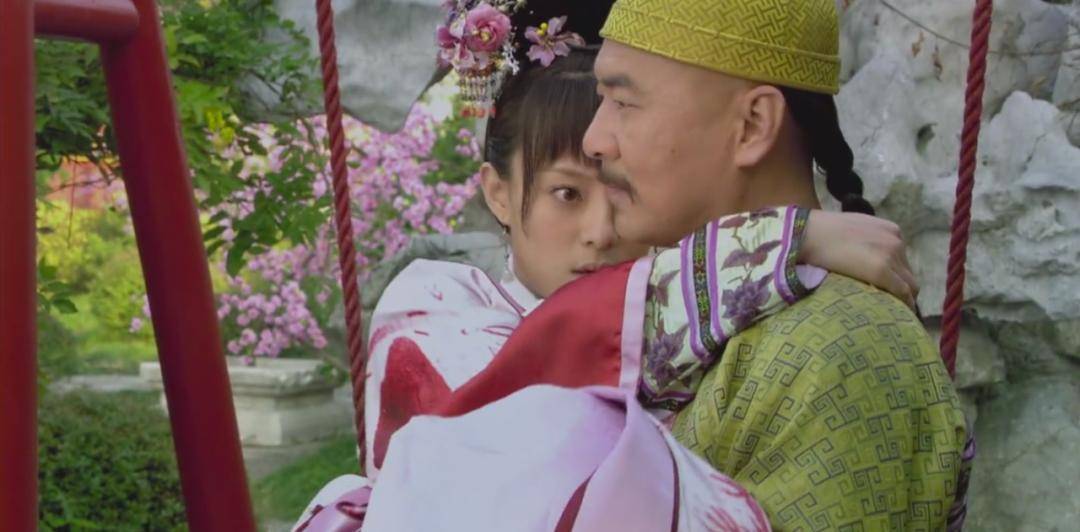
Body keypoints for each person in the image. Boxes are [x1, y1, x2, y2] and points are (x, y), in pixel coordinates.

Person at [293, 1, 933, 529]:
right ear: (497, 192)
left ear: (752, 125)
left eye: (623, 103)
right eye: (567, 193)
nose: (598, 140)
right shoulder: (446, 307)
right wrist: (775, 242)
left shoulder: (842, 344)